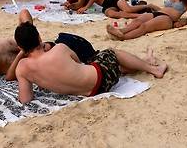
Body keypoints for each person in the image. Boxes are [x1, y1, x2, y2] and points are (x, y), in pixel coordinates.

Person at [12, 21, 167, 101]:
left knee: (109, 64)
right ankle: (153, 69)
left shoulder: (22, 69)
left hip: (90, 92)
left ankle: (145, 62)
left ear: (20, 47)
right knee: (111, 53)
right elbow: (80, 64)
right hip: (102, 79)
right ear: (39, 37)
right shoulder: (59, 49)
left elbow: (26, 99)